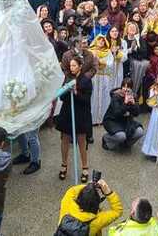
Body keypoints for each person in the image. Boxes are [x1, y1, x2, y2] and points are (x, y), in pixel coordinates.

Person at [57, 55, 93, 183]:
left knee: (81, 140)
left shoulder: (86, 80)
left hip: (80, 114)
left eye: (74, 66)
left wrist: (76, 92)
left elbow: (87, 99)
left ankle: (84, 167)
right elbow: (61, 97)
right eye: (70, 65)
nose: (71, 68)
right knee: (65, 138)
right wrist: (67, 90)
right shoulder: (67, 78)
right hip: (67, 112)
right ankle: (64, 164)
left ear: (80, 66)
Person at [57, 179, 123, 236]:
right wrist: (108, 192)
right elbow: (118, 211)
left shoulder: (67, 205)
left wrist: (88, 187)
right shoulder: (97, 221)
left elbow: (72, 190)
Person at [102, 79, 145, 151]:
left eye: (128, 87)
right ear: (121, 87)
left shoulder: (133, 96)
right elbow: (116, 113)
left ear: (131, 89)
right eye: (124, 87)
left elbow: (137, 113)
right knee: (121, 136)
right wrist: (125, 103)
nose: (126, 89)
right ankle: (107, 139)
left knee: (140, 132)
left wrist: (134, 104)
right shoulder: (115, 96)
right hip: (112, 121)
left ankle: (126, 144)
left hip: (126, 121)